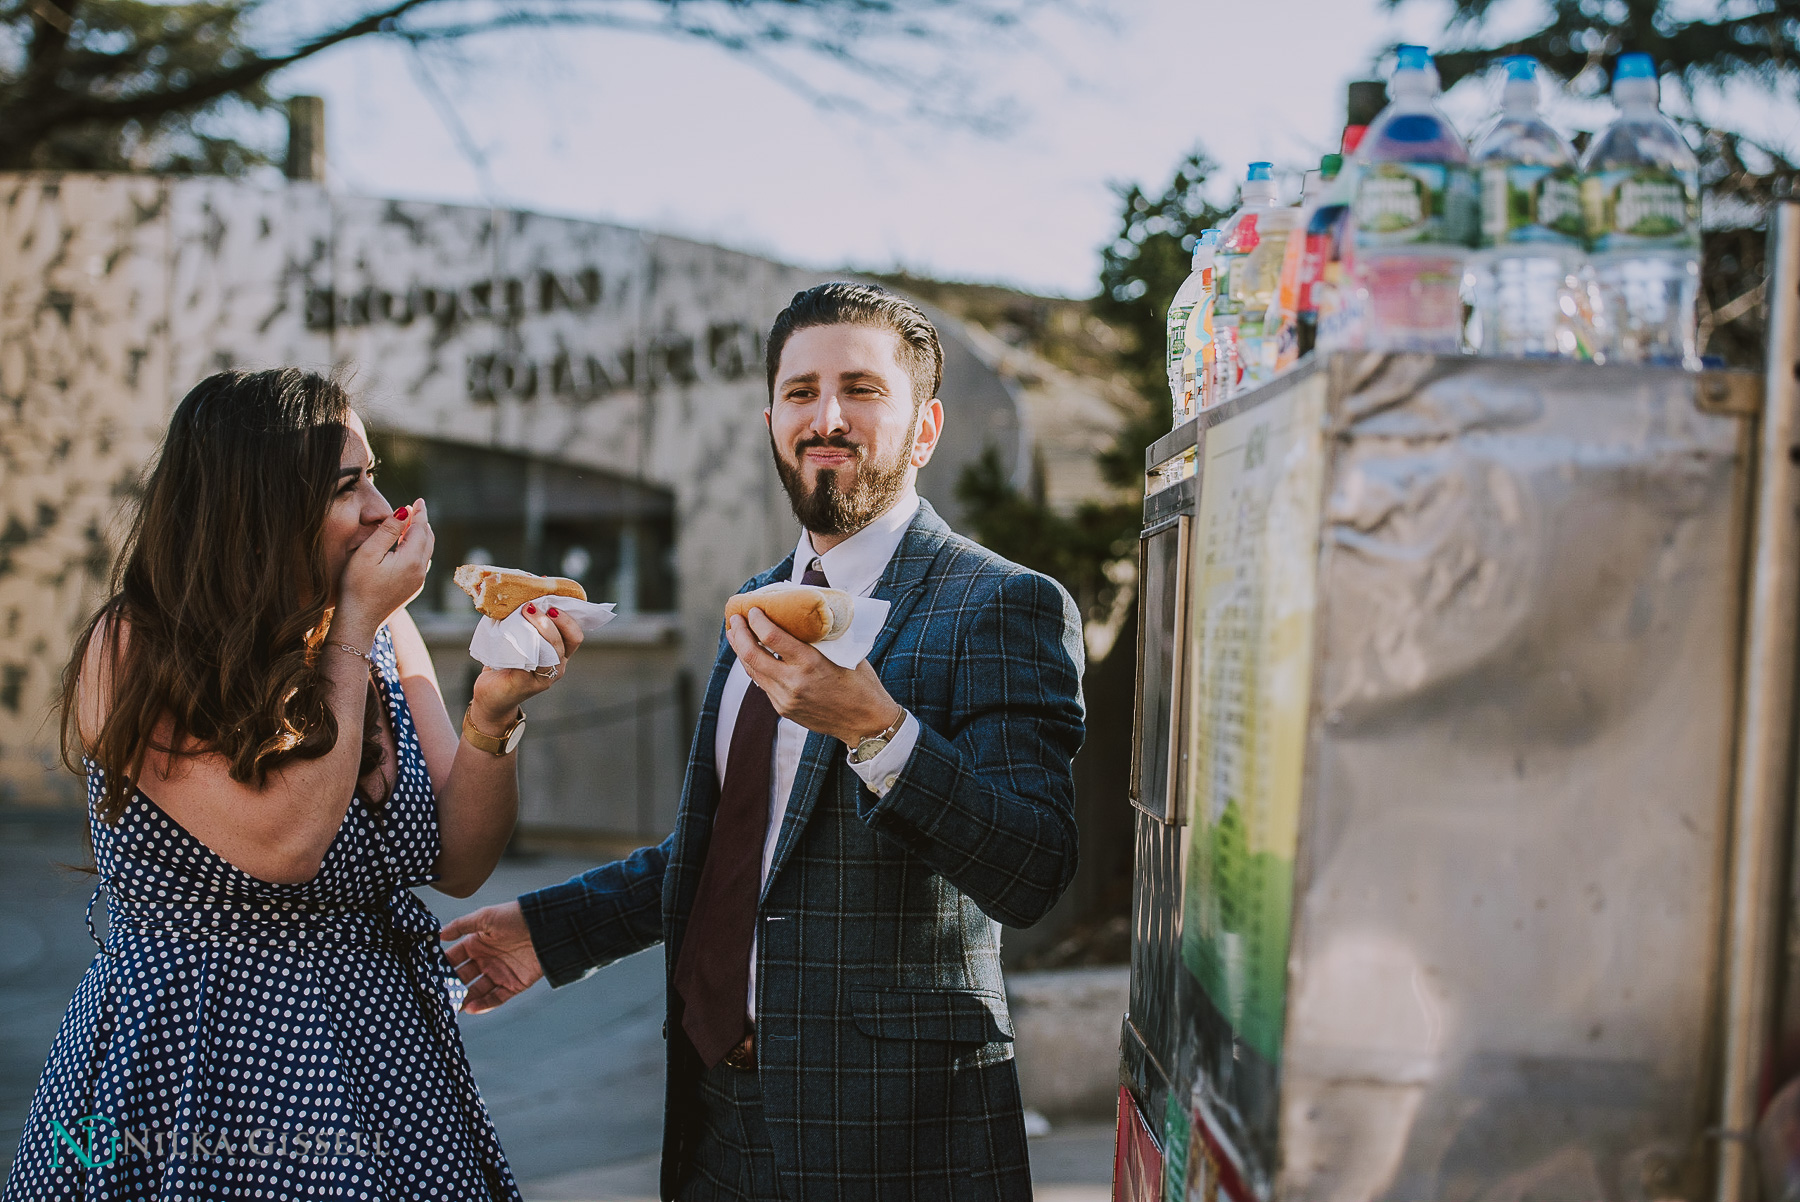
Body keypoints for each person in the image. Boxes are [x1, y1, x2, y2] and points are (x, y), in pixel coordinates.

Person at [441, 282, 1085, 1200]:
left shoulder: (1001, 605)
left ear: (926, 429)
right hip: (715, 1124)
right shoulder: (752, 605)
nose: (826, 417)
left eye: (861, 390)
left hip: (893, 1138)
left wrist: (877, 730)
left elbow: (1035, 867)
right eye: (799, 392)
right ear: (772, 418)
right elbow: (738, 851)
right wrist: (551, 931)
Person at [3, 369, 584, 1202]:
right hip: (196, 1057)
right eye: (349, 486)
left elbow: (460, 859)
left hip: (382, 1052)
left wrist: (494, 713)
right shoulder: (132, 649)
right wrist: (352, 624)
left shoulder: (387, 631)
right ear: (257, 507)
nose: (385, 509)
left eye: (376, 476)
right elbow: (285, 843)